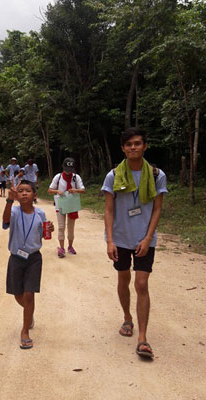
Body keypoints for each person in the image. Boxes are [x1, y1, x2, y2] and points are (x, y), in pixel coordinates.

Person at [102, 127, 167, 359]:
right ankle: (127, 318)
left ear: (145, 146)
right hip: (119, 238)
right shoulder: (113, 175)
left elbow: (157, 209)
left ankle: (142, 338)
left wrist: (149, 238)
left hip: (144, 238)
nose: (133, 147)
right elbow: (108, 210)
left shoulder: (157, 175)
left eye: (137, 143)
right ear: (123, 148)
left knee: (141, 284)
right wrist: (109, 240)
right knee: (123, 278)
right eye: (129, 144)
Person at [2, 179, 54, 349]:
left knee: (29, 294)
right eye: (20, 190)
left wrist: (49, 229)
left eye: (28, 190)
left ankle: (25, 330)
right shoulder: (15, 212)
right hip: (16, 258)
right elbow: (5, 221)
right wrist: (9, 201)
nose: (24, 193)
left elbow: (43, 233)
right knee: (18, 294)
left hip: (33, 258)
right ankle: (29, 313)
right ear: (16, 195)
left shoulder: (40, 214)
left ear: (34, 195)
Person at [48, 158, 86, 258]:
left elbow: (83, 190)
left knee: (71, 227)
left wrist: (75, 190)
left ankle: (70, 246)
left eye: (70, 169)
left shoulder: (76, 177)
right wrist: (57, 192)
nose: (68, 171)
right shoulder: (58, 177)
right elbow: (50, 190)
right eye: (66, 169)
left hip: (72, 204)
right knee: (61, 227)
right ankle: (61, 247)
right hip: (60, 204)